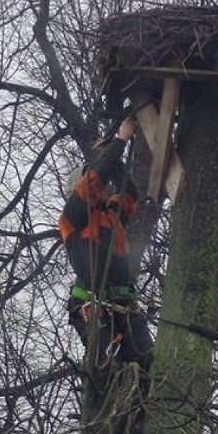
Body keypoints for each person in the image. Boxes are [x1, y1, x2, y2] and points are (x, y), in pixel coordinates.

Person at [58, 116, 151, 367]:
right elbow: (95, 181)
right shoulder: (73, 217)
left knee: (147, 361)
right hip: (92, 304)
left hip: (123, 304)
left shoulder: (111, 215)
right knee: (109, 367)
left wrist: (114, 159)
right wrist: (119, 141)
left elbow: (131, 192)